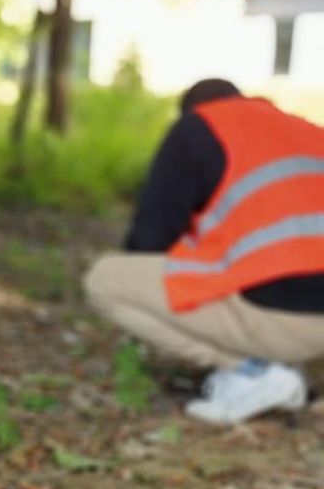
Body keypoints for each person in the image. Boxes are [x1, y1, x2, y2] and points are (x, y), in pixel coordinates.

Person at [85, 78, 324, 424]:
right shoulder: (309, 130)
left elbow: (149, 240)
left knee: (105, 281)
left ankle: (255, 372)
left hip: (283, 318)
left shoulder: (197, 129)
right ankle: (288, 363)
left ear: (188, 110)